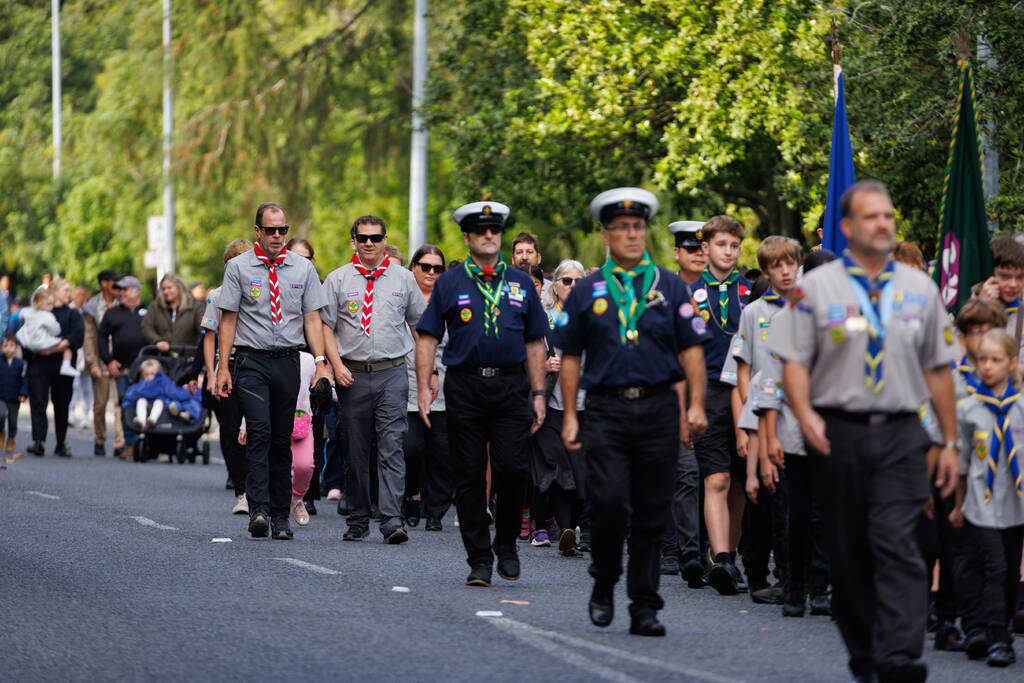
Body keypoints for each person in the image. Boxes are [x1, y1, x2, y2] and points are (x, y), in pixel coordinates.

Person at [768, 180, 960, 683]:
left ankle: (900, 655)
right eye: (872, 217)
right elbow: (792, 358)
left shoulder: (920, 289)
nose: (883, 224)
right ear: (849, 228)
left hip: (901, 433)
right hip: (839, 433)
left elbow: (940, 369)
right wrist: (805, 413)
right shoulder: (815, 288)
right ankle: (864, 652)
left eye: (888, 216)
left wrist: (949, 440)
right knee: (848, 552)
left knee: (901, 543)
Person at [557, 187, 709, 637]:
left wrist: (696, 404)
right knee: (607, 503)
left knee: (651, 508)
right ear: (606, 235)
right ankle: (604, 579)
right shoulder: (587, 290)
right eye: (622, 228)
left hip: (660, 407)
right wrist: (569, 415)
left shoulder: (670, 284)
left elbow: (693, 349)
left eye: (638, 227)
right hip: (605, 410)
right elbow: (568, 355)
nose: (631, 235)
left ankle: (645, 605)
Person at [416, 200, 549, 588]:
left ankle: (506, 543)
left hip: (511, 387)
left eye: (494, 230)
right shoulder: (449, 283)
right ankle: (478, 558)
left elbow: (536, 343)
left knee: (513, 469)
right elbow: (427, 338)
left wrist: (538, 393)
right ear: (468, 237)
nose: (488, 235)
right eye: (480, 230)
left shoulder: (521, 282)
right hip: (466, 386)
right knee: (470, 476)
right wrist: (425, 386)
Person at [213, 202, 329, 541]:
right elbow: (229, 319)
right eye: (271, 230)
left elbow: (312, 319)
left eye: (283, 230)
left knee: (282, 438)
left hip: (288, 360)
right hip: (251, 360)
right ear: (258, 232)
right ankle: (258, 509)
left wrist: (321, 364)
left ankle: (281, 516)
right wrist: (223, 367)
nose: (278, 236)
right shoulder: (238, 267)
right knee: (259, 432)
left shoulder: (302, 269)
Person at [321, 215, 426, 545]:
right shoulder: (337, 280)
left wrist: (430, 374)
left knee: (392, 446)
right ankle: (357, 519)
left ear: (384, 240)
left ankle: (392, 520)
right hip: (351, 375)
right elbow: (324, 325)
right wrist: (335, 365)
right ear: (353, 240)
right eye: (363, 238)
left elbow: (420, 327)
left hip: (392, 372)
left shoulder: (404, 279)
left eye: (375, 237)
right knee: (354, 450)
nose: (369, 243)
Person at [951, 329, 1024, 667]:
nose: (988, 367)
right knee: (994, 568)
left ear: (1012, 364)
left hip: (1016, 505)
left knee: (1010, 573)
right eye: (983, 360)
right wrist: (958, 505)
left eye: (996, 360)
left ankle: (1004, 624)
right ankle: (998, 638)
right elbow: (964, 465)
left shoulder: (1021, 408)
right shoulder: (968, 409)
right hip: (981, 503)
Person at [689, 215, 752, 595]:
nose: (727, 252)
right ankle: (723, 560)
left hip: (744, 391)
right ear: (706, 249)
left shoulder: (753, 291)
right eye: (721, 245)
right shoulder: (690, 295)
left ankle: (730, 551)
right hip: (708, 391)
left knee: (740, 483)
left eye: (734, 246)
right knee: (716, 477)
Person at [529, 259, 588, 555]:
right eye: (567, 281)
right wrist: (544, 364)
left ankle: (577, 529)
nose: (573, 287)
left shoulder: (596, 317)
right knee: (557, 467)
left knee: (581, 472)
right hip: (551, 405)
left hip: (586, 406)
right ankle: (564, 531)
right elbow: (522, 356)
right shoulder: (542, 319)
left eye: (579, 281)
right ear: (556, 286)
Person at [662, 220, 708, 584]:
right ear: (678, 253)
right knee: (683, 475)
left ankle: (713, 552)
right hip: (674, 396)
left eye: (701, 248)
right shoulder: (663, 294)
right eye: (691, 249)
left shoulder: (729, 292)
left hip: (719, 398)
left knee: (717, 479)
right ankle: (680, 551)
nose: (698, 255)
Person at [403, 244, 453, 531]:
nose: (431, 272)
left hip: (445, 389)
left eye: (438, 268)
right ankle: (412, 495)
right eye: (426, 266)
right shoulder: (403, 299)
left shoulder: (450, 301)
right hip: (408, 386)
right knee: (411, 447)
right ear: (414, 267)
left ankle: (435, 511)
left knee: (442, 452)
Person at [202, 239, 253, 515]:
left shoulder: (261, 293)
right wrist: (211, 373)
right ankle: (241, 491)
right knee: (232, 430)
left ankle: (260, 486)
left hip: (256, 364)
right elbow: (209, 337)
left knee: (259, 427)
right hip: (229, 366)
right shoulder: (218, 296)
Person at [239, 351, 317, 527]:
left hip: (301, 423)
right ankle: (259, 505)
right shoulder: (267, 357)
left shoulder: (308, 360)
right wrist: (245, 426)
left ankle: (296, 498)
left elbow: (322, 382)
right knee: (264, 458)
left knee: (305, 465)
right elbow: (255, 399)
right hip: (272, 420)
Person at [23, 278, 84, 458]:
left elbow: (77, 336)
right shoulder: (37, 312)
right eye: (65, 290)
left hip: (61, 365)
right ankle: (38, 441)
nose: (68, 294)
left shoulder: (72, 314)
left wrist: (54, 348)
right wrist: (40, 349)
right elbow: (27, 334)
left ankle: (61, 442)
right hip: (38, 362)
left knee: (62, 404)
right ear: (54, 291)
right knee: (38, 403)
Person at [98, 276, 147, 461]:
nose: (121, 293)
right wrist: (108, 360)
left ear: (137, 291)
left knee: (146, 404)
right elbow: (101, 337)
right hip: (123, 370)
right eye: (120, 290)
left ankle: (148, 443)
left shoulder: (148, 310)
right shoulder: (112, 313)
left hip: (146, 370)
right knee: (126, 405)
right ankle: (130, 444)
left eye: (125, 290)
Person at [81, 269, 125, 457]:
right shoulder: (91, 307)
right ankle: (100, 439)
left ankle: (120, 443)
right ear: (103, 284)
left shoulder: (122, 304)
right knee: (99, 405)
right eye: (114, 283)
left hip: (119, 361)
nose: (118, 287)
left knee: (120, 402)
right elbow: (88, 338)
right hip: (100, 361)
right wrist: (92, 364)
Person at [976, 236, 1024, 359]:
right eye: (1005, 276)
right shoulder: (968, 307)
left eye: (1020, 277)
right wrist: (980, 309)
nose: (1013, 284)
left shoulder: (1021, 312)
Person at [16, 287, 79, 378]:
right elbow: (56, 330)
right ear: (40, 304)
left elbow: (20, 316)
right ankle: (66, 365)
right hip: (42, 342)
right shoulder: (48, 316)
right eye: (49, 304)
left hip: (27, 341)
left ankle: (24, 367)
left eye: (52, 304)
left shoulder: (27, 312)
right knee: (67, 347)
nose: (51, 307)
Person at [124, 358, 201, 427]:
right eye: (146, 374)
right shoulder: (142, 384)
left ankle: (152, 419)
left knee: (159, 402)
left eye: (152, 374)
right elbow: (132, 393)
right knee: (141, 401)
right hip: (146, 401)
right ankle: (141, 420)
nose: (149, 377)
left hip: (160, 401)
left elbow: (171, 391)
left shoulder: (162, 381)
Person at [142, 273, 205, 351]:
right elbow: (146, 327)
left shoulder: (195, 306)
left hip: (187, 356)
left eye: (169, 288)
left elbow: (203, 329)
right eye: (163, 289)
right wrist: (157, 341)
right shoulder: (156, 306)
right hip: (161, 356)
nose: (166, 291)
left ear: (179, 287)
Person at [0, 333, 28, 453]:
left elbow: (24, 380)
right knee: (0, 415)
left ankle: (11, 438)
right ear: (1, 347)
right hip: (1, 396)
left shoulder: (20, 363)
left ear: (16, 347)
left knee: (13, 420)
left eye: (11, 345)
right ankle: (1, 433)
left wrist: (23, 393)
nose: (8, 348)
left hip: (14, 397)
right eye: (5, 345)